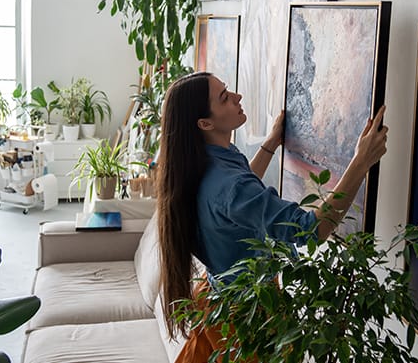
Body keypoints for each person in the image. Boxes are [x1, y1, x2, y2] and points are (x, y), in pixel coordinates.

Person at [156, 71, 388, 357]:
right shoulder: (228, 184)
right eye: (224, 98)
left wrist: (270, 143)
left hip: (217, 299)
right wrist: (361, 161)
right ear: (205, 123)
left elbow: (239, 203)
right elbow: (312, 229)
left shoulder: (204, 161)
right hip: (246, 321)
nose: (237, 97)